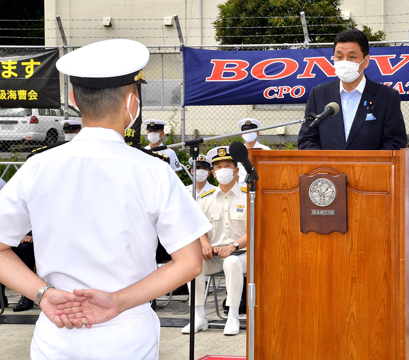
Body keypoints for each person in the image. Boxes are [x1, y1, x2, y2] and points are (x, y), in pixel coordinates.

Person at [0, 39, 211, 359]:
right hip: (128, 331)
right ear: (132, 102)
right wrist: (118, 302)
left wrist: (42, 294)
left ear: (73, 98)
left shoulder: (36, 168)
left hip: (58, 330)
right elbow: (190, 262)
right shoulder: (153, 172)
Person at [298, 29, 407, 150]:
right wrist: (324, 166)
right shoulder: (318, 94)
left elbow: (395, 142)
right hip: (326, 168)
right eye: (339, 56)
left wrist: (370, 167)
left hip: (369, 168)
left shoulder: (387, 97)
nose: (344, 62)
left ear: (365, 61)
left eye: (351, 57)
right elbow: (307, 139)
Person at [182, 146, 248, 337]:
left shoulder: (247, 195)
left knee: (232, 261)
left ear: (236, 171)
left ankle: (233, 315)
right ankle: (199, 316)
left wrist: (234, 246)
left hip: (242, 254)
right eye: (218, 167)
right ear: (213, 172)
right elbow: (199, 228)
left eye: (228, 166)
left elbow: (255, 230)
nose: (223, 170)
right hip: (215, 254)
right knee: (192, 264)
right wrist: (204, 244)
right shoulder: (205, 199)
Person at [237, 118, 270, 184]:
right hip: (241, 187)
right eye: (246, 131)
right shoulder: (237, 151)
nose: (248, 134)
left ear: (257, 134)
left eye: (251, 131)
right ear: (242, 135)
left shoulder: (265, 150)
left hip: (260, 185)